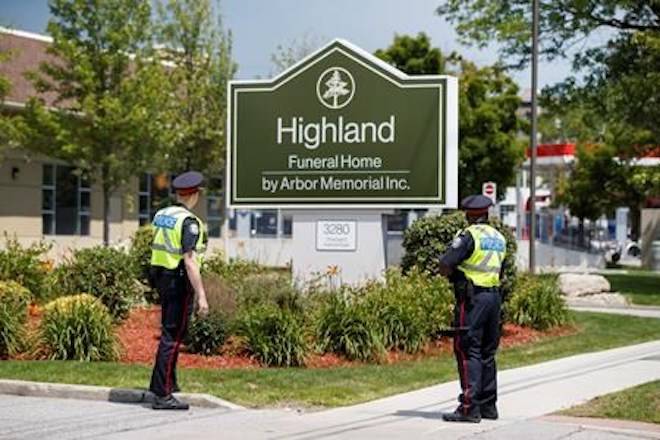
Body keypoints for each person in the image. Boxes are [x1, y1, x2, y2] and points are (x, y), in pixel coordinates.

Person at [439, 195, 507, 423]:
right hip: (494, 298)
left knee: (468, 350)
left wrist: (451, 274)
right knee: (487, 353)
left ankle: (469, 408)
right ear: (486, 213)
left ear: (469, 214)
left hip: (473, 299)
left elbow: (446, 263)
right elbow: (501, 268)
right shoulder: (499, 237)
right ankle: (488, 407)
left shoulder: (469, 236)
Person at [148, 171, 209, 410]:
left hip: (161, 277)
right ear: (194, 195)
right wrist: (202, 295)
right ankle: (163, 395)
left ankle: (166, 385)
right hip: (178, 281)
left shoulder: (162, 214)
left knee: (168, 334)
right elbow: (190, 260)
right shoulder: (189, 223)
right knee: (172, 338)